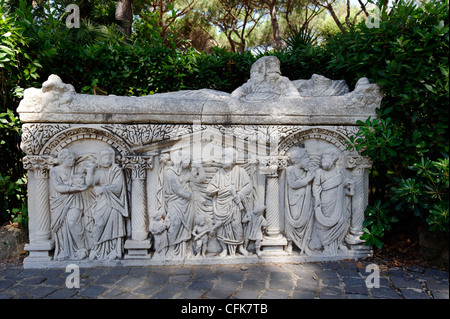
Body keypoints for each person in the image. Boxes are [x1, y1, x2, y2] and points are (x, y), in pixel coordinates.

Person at [207, 147, 252, 257]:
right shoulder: (219, 174)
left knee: (237, 225)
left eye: (225, 157)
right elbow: (209, 189)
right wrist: (220, 190)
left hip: (234, 204)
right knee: (221, 228)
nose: (222, 160)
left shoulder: (240, 171)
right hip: (220, 206)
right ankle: (224, 249)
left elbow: (248, 185)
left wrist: (240, 195)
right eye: (222, 157)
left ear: (233, 159)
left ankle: (240, 247)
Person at [86, 147, 128, 261]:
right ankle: (96, 248)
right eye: (104, 157)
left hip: (115, 202)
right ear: (100, 158)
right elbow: (89, 183)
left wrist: (103, 189)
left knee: (114, 225)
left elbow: (118, 187)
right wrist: (90, 170)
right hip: (102, 202)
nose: (107, 159)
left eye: (109, 156)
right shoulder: (99, 171)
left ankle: (114, 250)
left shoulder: (116, 170)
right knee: (99, 223)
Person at [164, 150, 205, 259]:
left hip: (187, 205)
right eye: (187, 160)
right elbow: (178, 190)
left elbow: (200, 179)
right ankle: (171, 249)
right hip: (175, 203)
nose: (189, 163)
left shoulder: (186, 172)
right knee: (174, 225)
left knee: (188, 227)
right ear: (181, 161)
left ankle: (186, 250)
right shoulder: (170, 172)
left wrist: (199, 167)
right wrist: (191, 195)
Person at [312, 148, 354, 256]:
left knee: (341, 221)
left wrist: (348, 183)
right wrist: (317, 198)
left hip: (338, 199)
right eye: (323, 158)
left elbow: (342, 181)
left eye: (327, 158)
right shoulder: (319, 172)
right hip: (326, 199)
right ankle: (326, 245)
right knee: (323, 223)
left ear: (333, 159)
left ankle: (338, 242)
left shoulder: (339, 170)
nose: (324, 160)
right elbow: (316, 186)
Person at [49, 149, 89, 260]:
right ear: (62, 159)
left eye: (73, 158)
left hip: (75, 199)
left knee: (73, 223)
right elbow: (58, 187)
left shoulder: (76, 168)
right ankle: (65, 250)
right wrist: (74, 188)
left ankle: (82, 249)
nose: (73, 160)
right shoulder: (55, 171)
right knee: (62, 226)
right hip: (60, 201)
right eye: (70, 158)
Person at [284, 147, 316, 255]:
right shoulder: (290, 170)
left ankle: (305, 245)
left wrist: (310, 175)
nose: (308, 160)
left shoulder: (307, 171)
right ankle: (290, 243)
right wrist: (308, 179)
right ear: (298, 160)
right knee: (293, 219)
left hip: (306, 199)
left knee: (307, 220)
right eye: (305, 158)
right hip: (294, 199)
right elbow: (293, 184)